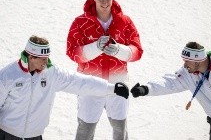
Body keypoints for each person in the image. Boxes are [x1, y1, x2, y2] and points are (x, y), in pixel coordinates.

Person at [0, 35, 129, 140]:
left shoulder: (52, 73)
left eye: (47, 57)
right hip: (8, 134)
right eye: (43, 59)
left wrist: (111, 88)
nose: (46, 62)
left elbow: (80, 82)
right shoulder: (8, 75)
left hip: (34, 135)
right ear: (31, 57)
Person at [66, 0, 143, 140]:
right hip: (90, 85)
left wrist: (119, 50)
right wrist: (96, 47)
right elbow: (72, 52)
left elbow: (138, 51)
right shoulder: (80, 22)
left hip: (118, 84)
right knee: (85, 132)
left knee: (120, 132)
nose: (105, 3)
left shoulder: (125, 21)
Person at [130, 41, 211, 140]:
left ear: (198, 60)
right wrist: (146, 89)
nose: (184, 65)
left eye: (187, 61)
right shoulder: (188, 73)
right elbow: (170, 83)